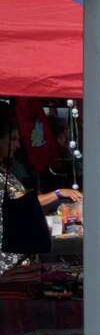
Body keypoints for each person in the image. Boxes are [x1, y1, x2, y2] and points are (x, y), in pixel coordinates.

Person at [0, 102, 82, 274]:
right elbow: (24, 201)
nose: (18, 145)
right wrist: (58, 193)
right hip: (9, 260)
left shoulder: (6, 169)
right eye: (13, 139)